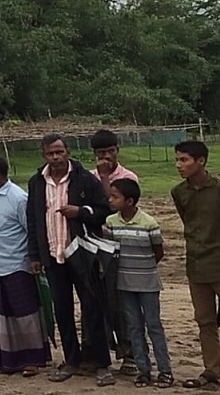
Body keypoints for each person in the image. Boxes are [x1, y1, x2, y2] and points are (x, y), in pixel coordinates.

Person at [26, 134, 113, 386]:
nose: (56, 157)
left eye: (60, 152)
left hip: (82, 255)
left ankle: (101, 364)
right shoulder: (36, 183)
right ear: (44, 155)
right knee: (62, 310)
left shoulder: (85, 179)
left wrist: (81, 212)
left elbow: (103, 210)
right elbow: (32, 220)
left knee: (92, 309)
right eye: (51, 153)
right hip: (52, 256)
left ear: (68, 152)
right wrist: (35, 255)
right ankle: (71, 361)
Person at [171, 140, 220, 390]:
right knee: (205, 322)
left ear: (201, 161)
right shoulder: (179, 192)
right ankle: (211, 371)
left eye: (184, 159)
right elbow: (188, 222)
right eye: (177, 159)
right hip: (196, 266)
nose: (179, 165)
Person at [0, 153, 49, 377]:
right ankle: (9, 360)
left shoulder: (18, 198)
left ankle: (33, 360)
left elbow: (31, 229)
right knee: (2, 316)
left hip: (16, 266)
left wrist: (33, 259)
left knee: (24, 315)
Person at [104, 178, 173, 388]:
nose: (110, 200)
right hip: (124, 284)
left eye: (115, 196)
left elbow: (158, 252)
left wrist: (143, 268)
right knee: (134, 327)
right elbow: (109, 250)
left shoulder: (149, 223)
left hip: (148, 283)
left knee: (154, 326)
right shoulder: (111, 222)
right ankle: (144, 371)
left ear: (130, 201)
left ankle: (165, 371)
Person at [90, 128, 138, 373]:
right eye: (101, 152)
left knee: (120, 302)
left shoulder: (128, 178)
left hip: (120, 247)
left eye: (110, 151)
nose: (106, 157)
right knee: (96, 301)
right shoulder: (88, 177)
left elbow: (112, 209)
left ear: (117, 150)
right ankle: (101, 351)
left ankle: (129, 353)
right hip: (94, 246)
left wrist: (105, 178)